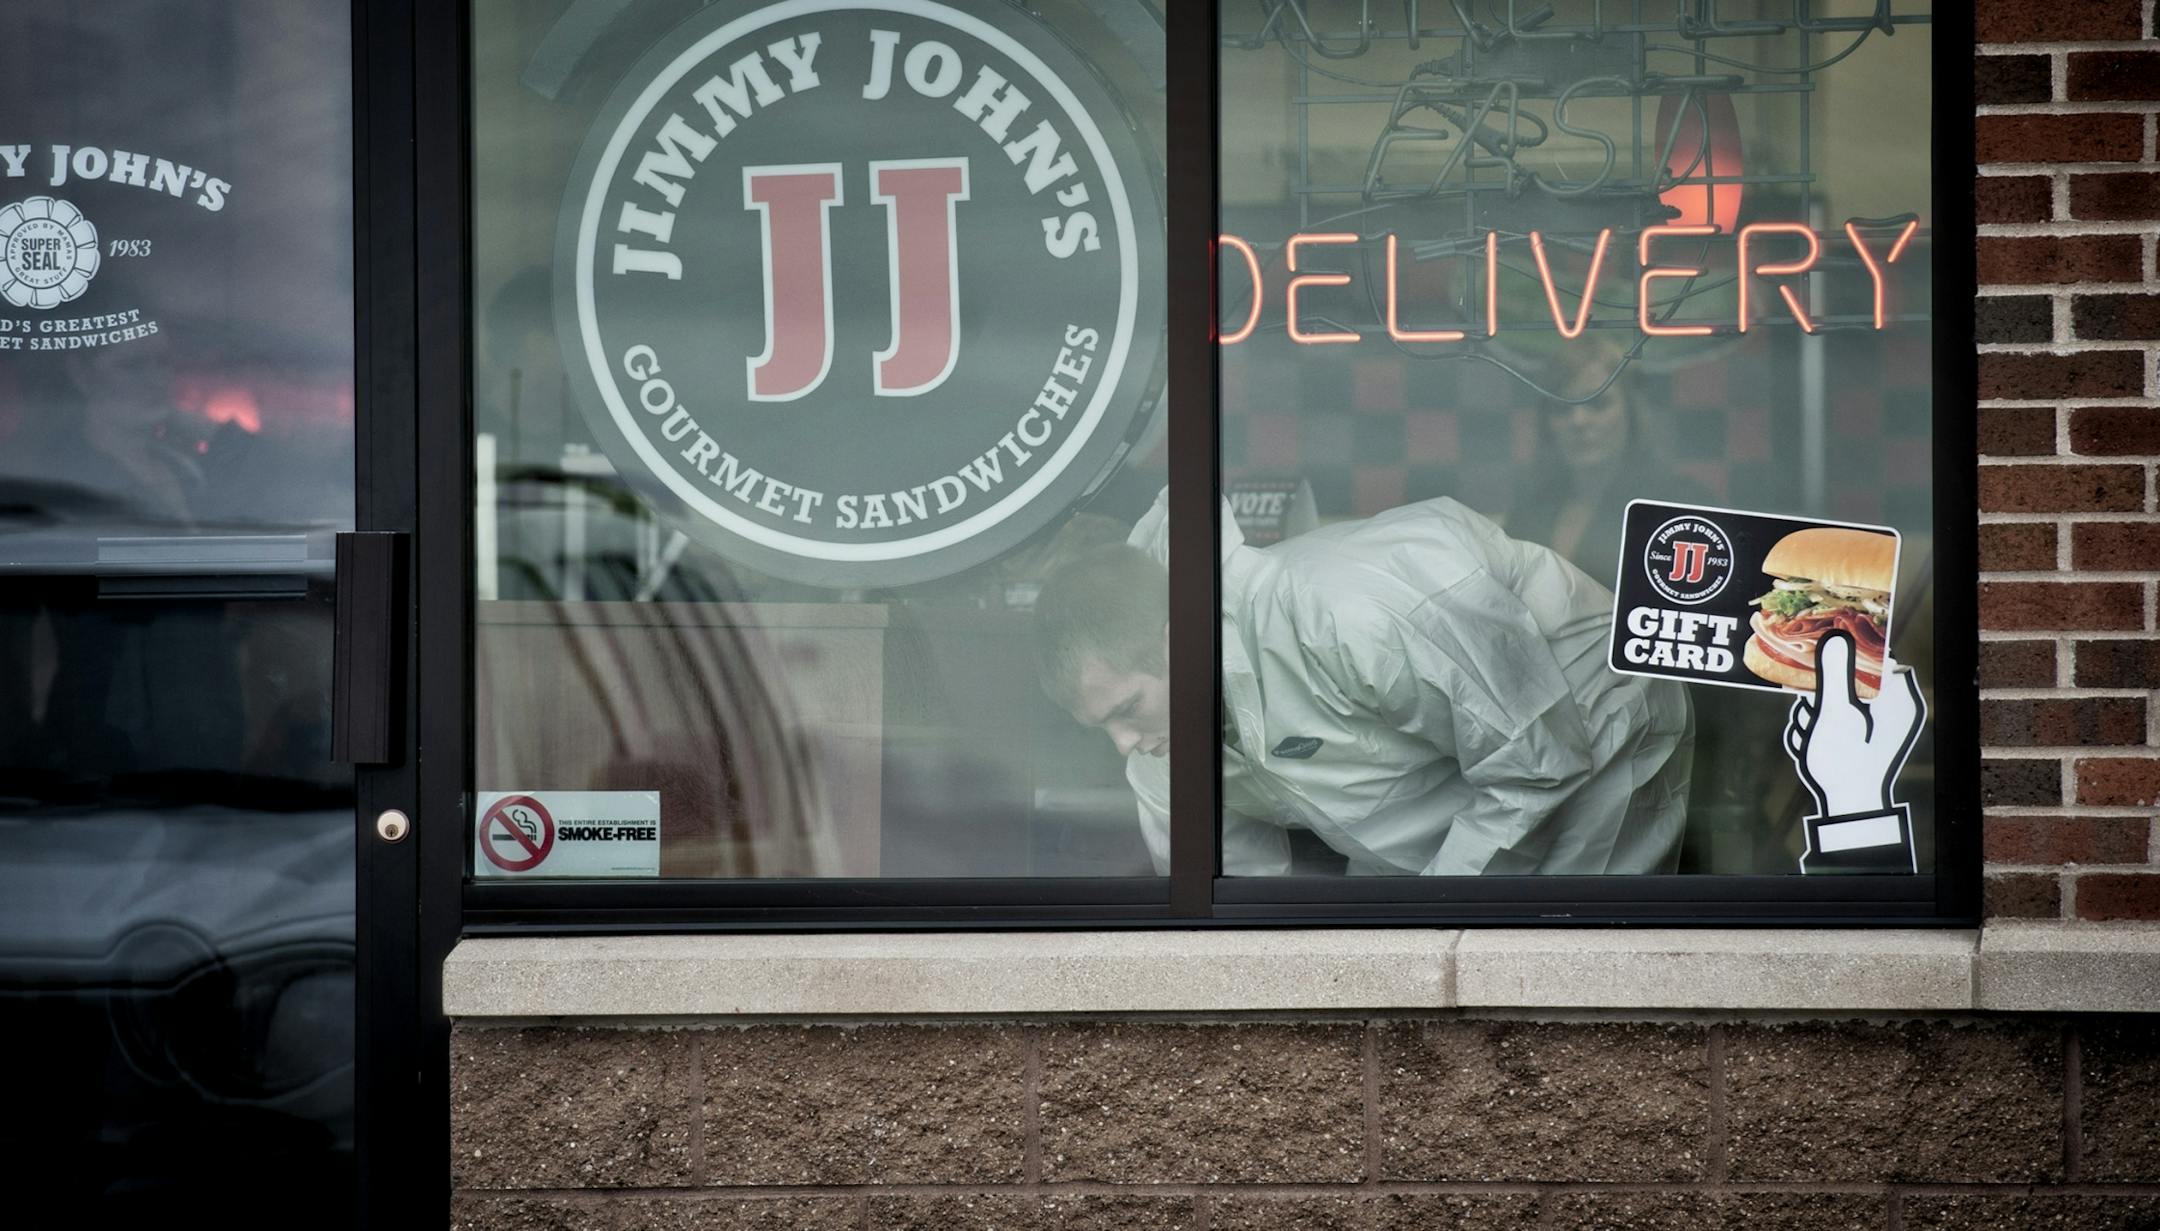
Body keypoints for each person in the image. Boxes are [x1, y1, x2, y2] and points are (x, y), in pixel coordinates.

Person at [1034, 491, 1695, 876]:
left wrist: (1418, 927)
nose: (1124, 744)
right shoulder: (1158, 749)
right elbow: (1236, 894)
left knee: (1563, 985)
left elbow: (1536, 759)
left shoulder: (1347, 613)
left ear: (1177, 642)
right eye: (1102, 726)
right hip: (1434, 791)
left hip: (1593, 725)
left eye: (1127, 708)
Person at [1504, 359, 1710, 591]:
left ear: (1631, 412)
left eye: (1598, 403)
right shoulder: (1531, 510)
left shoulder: (1679, 505)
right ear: (1546, 423)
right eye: (1562, 407)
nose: (1579, 420)